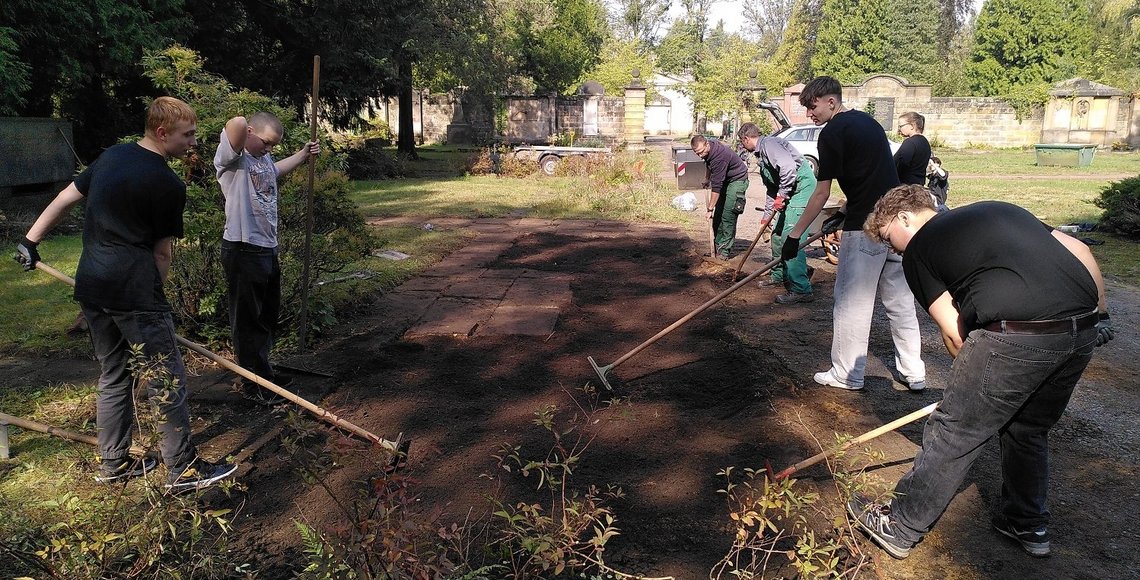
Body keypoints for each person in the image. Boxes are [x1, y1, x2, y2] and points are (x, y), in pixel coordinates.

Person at [848, 185, 1113, 560]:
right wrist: (1100, 316)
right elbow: (1081, 251)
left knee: (954, 430)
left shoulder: (919, 251)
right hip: (1081, 329)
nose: (895, 251)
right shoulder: (998, 208)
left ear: (904, 217)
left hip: (1017, 335)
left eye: (892, 239)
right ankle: (1027, 524)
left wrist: (972, 389)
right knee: (1028, 429)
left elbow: (954, 330)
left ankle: (900, 525)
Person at [15, 96, 238, 491]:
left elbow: (67, 198)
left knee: (113, 374)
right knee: (164, 378)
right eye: (188, 135)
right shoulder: (167, 184)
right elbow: (162, 253)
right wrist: (156, 301)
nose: (193, 143)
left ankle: (114, 464)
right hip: (135, 292)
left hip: (93, 285)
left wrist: (30, 241)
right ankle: (182, 470)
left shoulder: (111, 157)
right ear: (163, 132)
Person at [779, 76, 927, 392]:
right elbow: (872, 176)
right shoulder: (870, 123)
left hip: (866, 229)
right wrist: (846, 209)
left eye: (812, 106)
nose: (809, 114)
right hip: (897, 226)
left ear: (831, 101)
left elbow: (820, 194)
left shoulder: (832, 133)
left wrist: (794, 236)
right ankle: (914, 372)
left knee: (851, 301)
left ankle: (847, 374)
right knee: (900, 301)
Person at [214, 112, 318, 401]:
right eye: (266, 142)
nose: (269, 149)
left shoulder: (262, 161)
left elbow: (276, 170)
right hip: (242, 248)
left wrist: (303, 154)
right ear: (249, 132)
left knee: (266, 315)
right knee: (247, 320)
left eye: (273, 146)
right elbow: (234, 122)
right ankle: (252, 384)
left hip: (266, 248)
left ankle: (264, 373)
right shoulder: (231, 159)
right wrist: (245, 125)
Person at [737, 122, 817, 304]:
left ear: (746, 138)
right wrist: (767, 214)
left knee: (791, 237)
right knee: (777, 235)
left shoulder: (770, 144)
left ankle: (801, 289)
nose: (743, 146)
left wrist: (783, 195)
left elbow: (788, 169)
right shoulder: (762, 155)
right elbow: (771, 190)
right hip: (789, 193)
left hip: (802, 191)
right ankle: (779, 275)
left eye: (742, 143)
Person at [691, 134, 749, 260]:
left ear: (707, 144)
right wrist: (707, 179)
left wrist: (710, 209)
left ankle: (724, 252)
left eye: (701, 152)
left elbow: (716, 187)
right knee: (718, 216)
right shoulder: (708, 149)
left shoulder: (719, 157)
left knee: (728, 216)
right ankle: (716, 248)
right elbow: (708, 164)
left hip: (737, 180)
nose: (700, 155)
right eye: (697, 153)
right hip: (726, 179)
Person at [894, 112, 931, 185]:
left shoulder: (909, 143)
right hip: (919, 185)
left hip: (906, 187)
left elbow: (902, 163)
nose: (899, 129)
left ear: (912, 126)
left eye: (901, 126)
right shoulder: (925, 142)